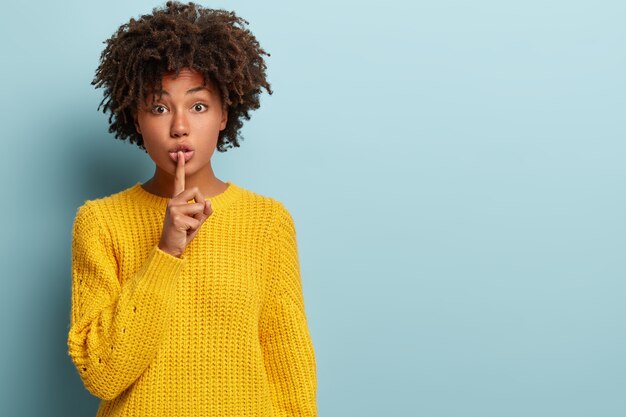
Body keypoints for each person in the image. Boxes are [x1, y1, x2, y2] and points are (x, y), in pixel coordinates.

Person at [67, 2, 317, 416]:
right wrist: (165, 253)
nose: (179, 126)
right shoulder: (99, 223)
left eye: (198, 106)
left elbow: (288, 366)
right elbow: (102, 374)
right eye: (159, 107)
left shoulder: (268, 222)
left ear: (224, 114)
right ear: (135, 116)